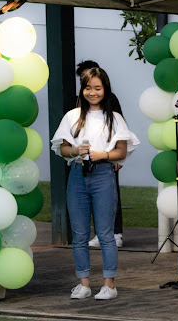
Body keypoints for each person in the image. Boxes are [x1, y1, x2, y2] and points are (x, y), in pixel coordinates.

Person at [51, 67, 139, 300]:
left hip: (103, 175)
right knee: (79, 234)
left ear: (105, 89)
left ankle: (109, 285)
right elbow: (62, 148)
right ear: (83, 89)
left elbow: (121, 151)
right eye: (88, 88)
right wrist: (75, 150)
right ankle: (84, 284)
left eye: (97, 88)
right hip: (78, 175)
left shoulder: (114, 118)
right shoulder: (72, 116)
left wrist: (103, 155)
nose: (92, 93)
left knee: (105, 233)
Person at [76, 60, 125, 248]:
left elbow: (120, 130)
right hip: (86, 160)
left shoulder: (110, 100)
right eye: (84, 80)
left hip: (107, 156)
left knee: (111, 195)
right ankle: (98, 232)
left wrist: (115, 156)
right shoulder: (79, 101)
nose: (91, 87)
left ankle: (116, 232)